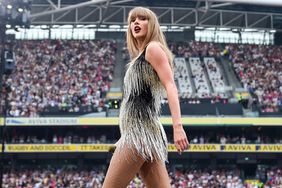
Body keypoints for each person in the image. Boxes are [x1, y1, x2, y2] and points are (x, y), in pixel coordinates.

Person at [103, 7, 189, 188]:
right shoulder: (141, 56)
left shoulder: (153, 48)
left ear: (152, 24)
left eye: (142, 19)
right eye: (132, 20)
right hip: (147, 134)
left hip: (139, 132)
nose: (136, 22)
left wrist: (178, 126)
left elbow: (171, 85)